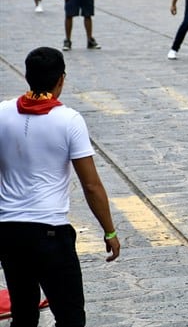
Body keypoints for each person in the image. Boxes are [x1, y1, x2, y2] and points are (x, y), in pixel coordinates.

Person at [0, 47, 120, 327]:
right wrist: (109, 231)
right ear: (61, 80)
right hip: (50, 234)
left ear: (27, 76)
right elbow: (91, 185)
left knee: (24, 315)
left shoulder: (2, 113)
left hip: (9, 233)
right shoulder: (69, 121)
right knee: (70, 318)